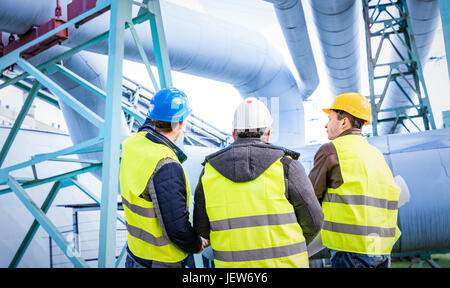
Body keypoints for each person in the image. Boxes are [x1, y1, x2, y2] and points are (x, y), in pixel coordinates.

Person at [194, 97, 324, 268]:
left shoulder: (209, 172)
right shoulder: (287, 167)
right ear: (268, 133)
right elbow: (314, 221)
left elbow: (201, 231)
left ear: (234, 133)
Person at [308, 92, 401, 268]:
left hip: (350, 251)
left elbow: (309, 197)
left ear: (344, 122)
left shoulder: (331, 151)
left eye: (330, 118)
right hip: (381, 250)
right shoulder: (376, 154)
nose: (325, 125)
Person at [119, 87, 208, 268]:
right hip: (161, 261)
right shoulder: (166, 165)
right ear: (180, 124)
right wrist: (196, 244)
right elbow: (176, 228)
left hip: (135, 253)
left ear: (152, 118)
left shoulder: (132, 144)